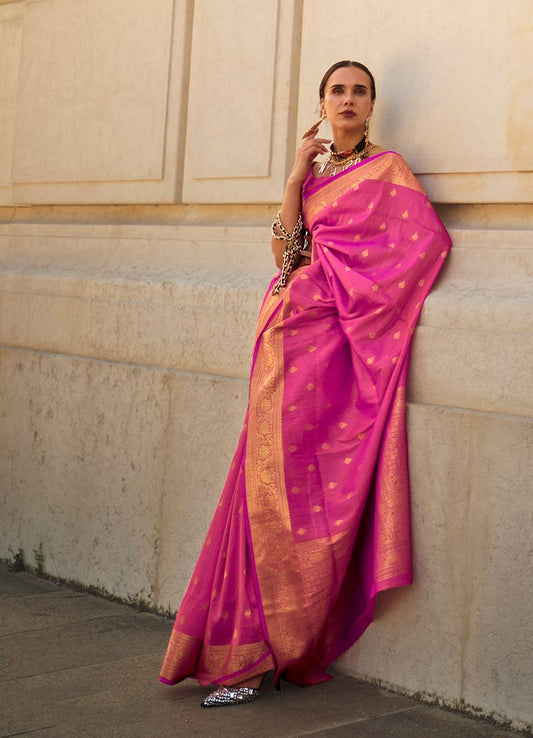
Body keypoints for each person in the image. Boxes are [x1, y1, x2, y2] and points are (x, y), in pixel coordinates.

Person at [159, 60, 451, 708]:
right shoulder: (315, 174)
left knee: (295, 490)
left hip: (331, 352)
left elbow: (424, 247)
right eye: (337, 90)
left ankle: (269, 652)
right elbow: (285, 254)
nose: (347, 99)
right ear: (321, 102)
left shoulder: (388, 172)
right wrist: (294, 175)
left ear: (371, 106)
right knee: (255, 488)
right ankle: (242, 650)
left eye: (358, 91)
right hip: (279, 349)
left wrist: (340, 291)